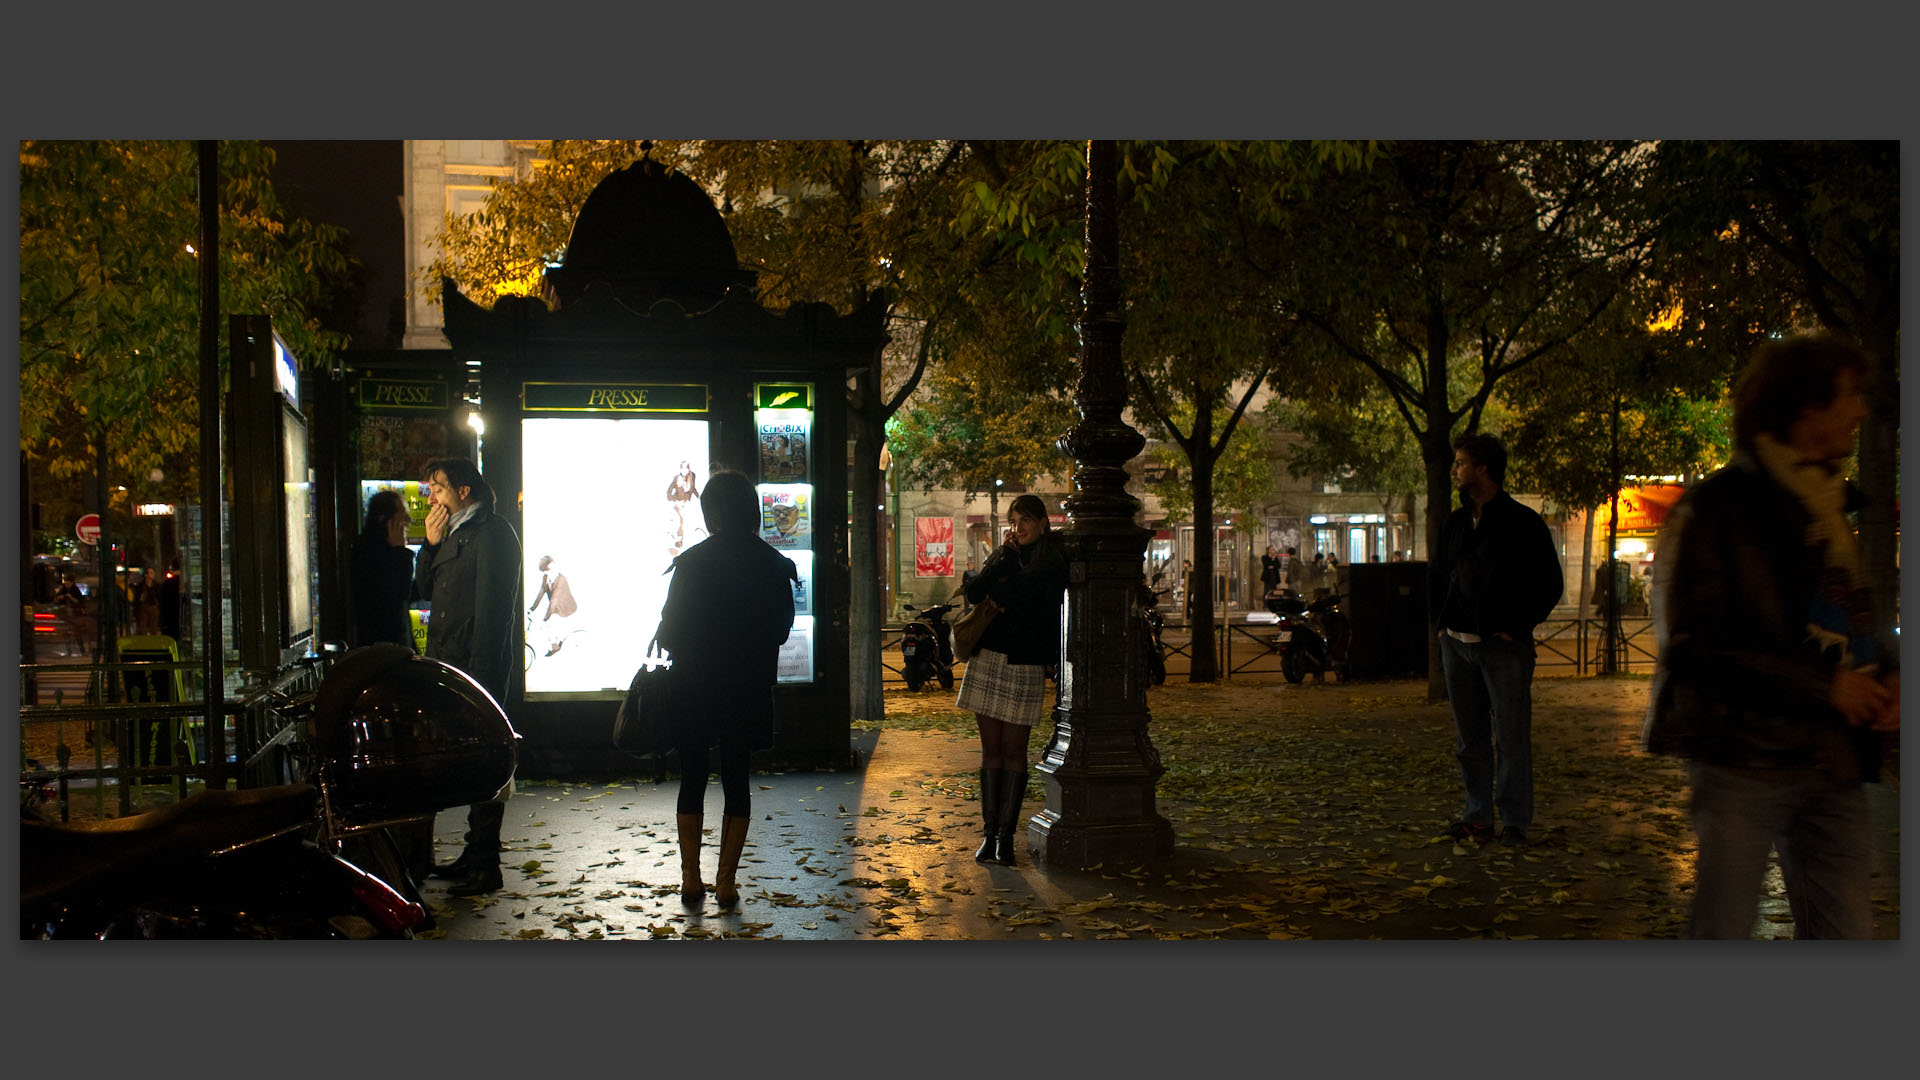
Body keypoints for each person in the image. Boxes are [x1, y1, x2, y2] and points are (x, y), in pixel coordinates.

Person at [1643, 335, 1898, 939]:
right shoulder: (1720, 508)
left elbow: (1851, 619)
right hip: (1744, 754)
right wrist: (1826, 685)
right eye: (1850, 396)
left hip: (1832, 756)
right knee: (1724, 926)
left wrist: (1887, 675)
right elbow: (1696, 643)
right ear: (1806, 408)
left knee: (1844, 930)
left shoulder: (1830, 505)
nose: (1861, 411)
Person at [655, 469, 797, 909]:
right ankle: (727, 882)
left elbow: (670, 628)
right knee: (738, 779)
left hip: (693, 686)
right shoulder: (773, 563)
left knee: (692, 776)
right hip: (746, 688)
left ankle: (690, 878)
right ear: (751, 510)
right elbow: (781, 630)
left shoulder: (692, 562)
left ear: (710, 512)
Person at [1429, 433, 1564, 846]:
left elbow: (1550, 583)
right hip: (1457, 642)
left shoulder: (1522, 523)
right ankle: (1479, 816)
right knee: (1469, 737)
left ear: (1482, 468)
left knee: (1510, 736)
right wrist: (1442, 622)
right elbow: (1438, 573)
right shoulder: (1455, 523)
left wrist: (1518, 625)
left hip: (1503, 647)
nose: (1455, 470)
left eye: (1461, 463)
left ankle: (1514, 821)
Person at [414, 457, 522, 896]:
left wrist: (480, 683)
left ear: (463, 491)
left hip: (475, 671)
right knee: (458, 762)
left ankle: (485, 862)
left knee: (483, 763)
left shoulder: (493, 534)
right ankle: (472, 854)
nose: (432, 497)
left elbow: (492, 615)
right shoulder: (454, 533)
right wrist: (429, 544)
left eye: (438, 487)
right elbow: (424, 592)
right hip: (445, 664)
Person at [958, 493, 1069, 867]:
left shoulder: (1052, 561)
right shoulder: (1006, 555)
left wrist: (1004, 590)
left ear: (1041, 523)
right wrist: (1001, 563)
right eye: (1014, 520)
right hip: (988, 659)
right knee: (990, 751)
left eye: (1026, 520)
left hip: (1024, 665)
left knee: (1013, 752)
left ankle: (1007, 839)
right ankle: (989, 837)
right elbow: (974, 592)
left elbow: (1031, 606)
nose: (1019, 528)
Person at [352, 489, 416, 650]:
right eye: (403, 515)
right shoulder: (369, 554)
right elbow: (400, 592)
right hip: (383, 650)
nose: (409, 520)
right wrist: (401, 552)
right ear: (385, 520)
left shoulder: (379, 550)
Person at [528, 554, 579, 657]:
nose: (546, 574)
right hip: (555, 607)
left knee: (547, 624)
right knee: (546, 623)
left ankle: (555, 646)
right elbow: (540, 594)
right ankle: (556, 641)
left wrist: (546, 618)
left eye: (547, 571)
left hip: (565, 608)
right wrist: (531, 609)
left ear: (553, 568)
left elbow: (554, 600)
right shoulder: (546, 578)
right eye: (544, 572)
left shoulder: (561, 580)